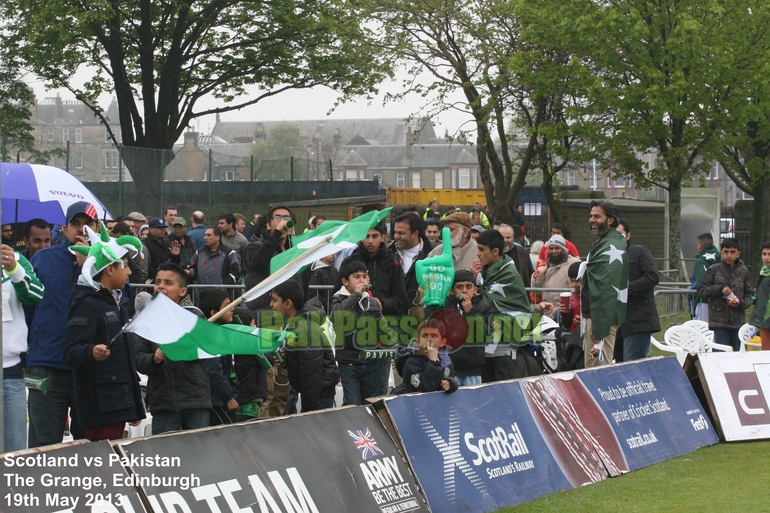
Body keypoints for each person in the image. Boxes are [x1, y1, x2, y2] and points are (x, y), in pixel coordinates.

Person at [27, 201, 99, 447]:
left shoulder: (109, 263)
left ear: (97, 228)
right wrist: (29, 352)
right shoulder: (43, 259)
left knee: (89, 448)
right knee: (42, 446)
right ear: (65, 228)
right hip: (46, 364)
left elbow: (119, 305)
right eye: (75, 224)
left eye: (87, 224)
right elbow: (27, 308)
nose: (81, 229)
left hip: (89, 367)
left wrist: (86, 267)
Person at [63, 225, 145, 441]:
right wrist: (91, 352)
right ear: (109, 269)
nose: (129, 272)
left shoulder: (118, 303)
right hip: (101, 406)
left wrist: (133, 401)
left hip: (118, 402)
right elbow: (71, 351)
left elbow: (123, 355)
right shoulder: (86, 303)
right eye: (125, 266)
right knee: (103, 465)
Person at [134, 263, 211, 434]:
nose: (161, 286)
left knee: (201, 453)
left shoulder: (194, 316)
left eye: (168, 283)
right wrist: (155, 359)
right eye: (157, 282)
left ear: (182, 291)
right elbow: (139, 360)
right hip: (164, 402)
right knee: (166, 457)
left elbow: (206, 351)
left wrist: (187, 345)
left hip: (196, 399)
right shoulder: (145, 322)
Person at [470, 230, 552, 382]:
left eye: (481, 249)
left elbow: (486, 302)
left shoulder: (509, 274)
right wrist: (473, 280)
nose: (477, 254)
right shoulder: (486, 271)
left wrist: (474, 286)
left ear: (495, 252)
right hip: (485, 343)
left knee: (503, 390)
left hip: (504, 346)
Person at [340, 223, 409, 394]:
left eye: (375, 236)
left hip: (381, 335)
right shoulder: (349, 261)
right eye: (366, 236)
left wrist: (381, 304)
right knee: (353, 396)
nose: (370, 241)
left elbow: (401, 300)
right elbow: (339, 294)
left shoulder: (392, 262)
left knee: (378, 391)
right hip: (353, 337)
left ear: (383, 237)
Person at [271, 280, 339, 412]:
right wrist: (288, 360)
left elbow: (311, 373)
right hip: (314, 392)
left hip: (317, 394)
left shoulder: (304, 328)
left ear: (288, 303)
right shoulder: (294, 323)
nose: (271, 305)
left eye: (275, 300)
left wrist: (308, 410)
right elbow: (303, 359)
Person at [2, 243, 44, 452]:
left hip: (10, 372)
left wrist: (13, 270)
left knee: (14, 451)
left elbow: (36, 295)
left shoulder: (15, 258)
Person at [581, 200, 629, 367]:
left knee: (597, 372)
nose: (592, 220)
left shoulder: (611, 245)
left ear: (610, 220)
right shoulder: (604, 243)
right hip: (596, 316)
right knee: (592, 370)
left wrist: (599, 325)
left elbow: (605, 287)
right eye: (591, 216)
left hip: (601, 318)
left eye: (597, 216)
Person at [331, 260, 384, 405]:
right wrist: (355, 295)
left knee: (372, 404)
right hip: (349, 362)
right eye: (356, 277)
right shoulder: (338, 298)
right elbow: (337, 317)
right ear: (345, 281)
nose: (361, 281)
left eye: (363, 276)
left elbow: (383, 327)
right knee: (353, 404)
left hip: (370, 361)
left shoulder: (371, 301)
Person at [697, 238, 753, 351]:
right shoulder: (713, 270)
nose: (729, 255)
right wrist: (719, 289)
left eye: (732, 252)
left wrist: (740, 303)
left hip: (737, 322)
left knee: (736, 355)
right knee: (720, 354)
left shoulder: (744, 272)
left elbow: (750, 295)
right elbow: (701, 290)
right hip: (719, 322)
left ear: (738, 254)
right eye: (726, 252)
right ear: (721, 253)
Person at [615, 220, 660, 362]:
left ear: (628, 235)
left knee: (633, 364)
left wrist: (626, 291)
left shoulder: (639, 252)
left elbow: (652, 276)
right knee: (618, 366)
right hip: (616, 322)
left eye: (620, 234)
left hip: (638, 319)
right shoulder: (606, 256)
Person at [198, 287, 240, 425]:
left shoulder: (219, 333)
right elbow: (213, 369)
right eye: (227, 306)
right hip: (217, 402)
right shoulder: (213, 336)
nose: (232, 308)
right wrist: (228, 397)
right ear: (214, 313)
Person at [243, 206, 295, 311]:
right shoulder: (254, 247)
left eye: (286, 218)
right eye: (277, 217)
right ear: (268, 225)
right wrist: (276, 234)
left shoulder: (293, 251)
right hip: (264, 311)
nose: (282, 221)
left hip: (288, 312)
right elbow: (260, 262)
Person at [444, 270, 489, 386]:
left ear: (475, 290)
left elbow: (486, 333)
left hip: (472, 368)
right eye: (459, 287)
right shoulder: (445, 306)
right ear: (452, 290)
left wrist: (470, 313)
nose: (464, 290)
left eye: (469, 287)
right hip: (449, 366)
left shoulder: (483, 307)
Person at [391, 319, 459, 395]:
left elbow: (451, 379)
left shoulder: (445, 360)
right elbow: (427, 389)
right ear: (418, 341)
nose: (429, 339)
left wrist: (449, 384)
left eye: (434, 336)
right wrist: (432, 361)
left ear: (442, 342)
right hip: (412, 402)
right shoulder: (411, 361)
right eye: (425, 336)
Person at [232, 307, 269, 422]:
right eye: (254, 324)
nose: (256, 328)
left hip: (242, 398)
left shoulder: (236, 345)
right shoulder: (249, 347)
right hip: (248, 401)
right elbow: (268, 360)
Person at [532, 235, 581, 319]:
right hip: (546, 314)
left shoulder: (575, 263)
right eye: (551, 248)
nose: (553, 251)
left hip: (563, 314)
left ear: (563, 249)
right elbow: (536, 292)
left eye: (557, 248)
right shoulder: (545, 265)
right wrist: (541, 275)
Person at [391, 212, 432, 302]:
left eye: (401, 233)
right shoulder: (388, 253)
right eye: (395, 232)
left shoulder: (433, 254)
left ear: (415, 234)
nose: (396, 236)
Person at [691, 233, 721, 322]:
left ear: (700, 245)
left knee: (701, 328)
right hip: (721, 300)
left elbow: (701, 282)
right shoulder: (720, 258)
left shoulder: (700, 262)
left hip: (703, 301)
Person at [750, 242, 770, 350]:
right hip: (763, 320)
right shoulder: (764, 271)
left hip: (767, 319)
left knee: (767, 354)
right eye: (764, 254)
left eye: (769, 254)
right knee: (765, 353)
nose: (766, 258)